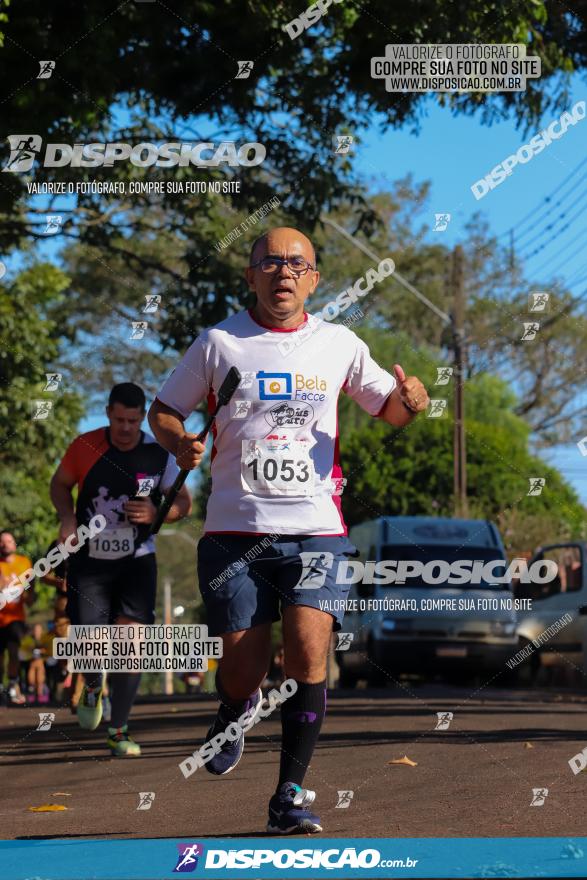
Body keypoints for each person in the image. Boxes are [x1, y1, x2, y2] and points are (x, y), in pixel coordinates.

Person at [148, 226, 429, 833]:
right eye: (270, 262)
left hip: (316, 529)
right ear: (250, 275)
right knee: (244, 666)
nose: (284, 272)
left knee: (308, 653)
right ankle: (234, 705)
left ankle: (290, 797)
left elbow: (392, 410)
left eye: (297, 264)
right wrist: (179, 441)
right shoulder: (219, 342)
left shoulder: (339, 344)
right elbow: (165, 410)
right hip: (234, 531)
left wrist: (414, 398)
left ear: (314, 279)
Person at [50, 382, 192, 756]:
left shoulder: (157, 452)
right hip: (90, 564)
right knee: (94, 646)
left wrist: (158, 512)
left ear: (141, 417)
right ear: (108, 414)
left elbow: (182, 501)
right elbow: (60, 484)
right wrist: (67, 519)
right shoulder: (85, 446)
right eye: (119, 420)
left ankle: (119, 732)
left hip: (137, 562)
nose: (126, 428)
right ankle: (93, 682)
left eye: (133, 420)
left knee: (131, 647)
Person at [0, 530, 35, 706]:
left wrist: (30, 596)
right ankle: (2, 688)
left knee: (14, 652)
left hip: (15, 616)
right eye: (2, 541)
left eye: (9, 541)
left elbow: (31, 588)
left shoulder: (24, 562)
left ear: (14, 544)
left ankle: (13, 685)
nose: (5, 544)